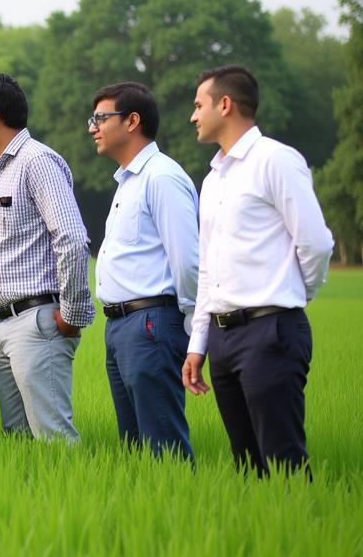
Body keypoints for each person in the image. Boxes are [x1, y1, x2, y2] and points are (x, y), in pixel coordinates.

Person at [182, 65, 333, 475]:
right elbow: (209, 267)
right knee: (247, 467)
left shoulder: (276, 160)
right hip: (223, 338)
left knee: (283, 462)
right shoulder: (212, 180)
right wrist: (199, 343)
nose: (193, 116)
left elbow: (316, 244)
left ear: (225, 104)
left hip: (271, 332)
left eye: (199, 105)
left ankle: (299, 532)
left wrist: (294, 295)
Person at [0, 73, 94, 441]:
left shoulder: (37, 161)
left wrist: (71, 317)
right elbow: (3, 261)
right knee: (20, 441)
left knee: (53, 438)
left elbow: (72, 239)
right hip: (5, 325)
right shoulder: (2, 172)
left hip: (38, 323)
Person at [89, 81, 198, 459]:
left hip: (151, 323)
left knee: (162, 444)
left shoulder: (162, 177)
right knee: (135, 449)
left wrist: (189, 327)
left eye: (101, 118)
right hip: (120, 327)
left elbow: (187, 259)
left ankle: (179, 508)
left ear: (132, 120)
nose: (93, 127)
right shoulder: (128, 182)